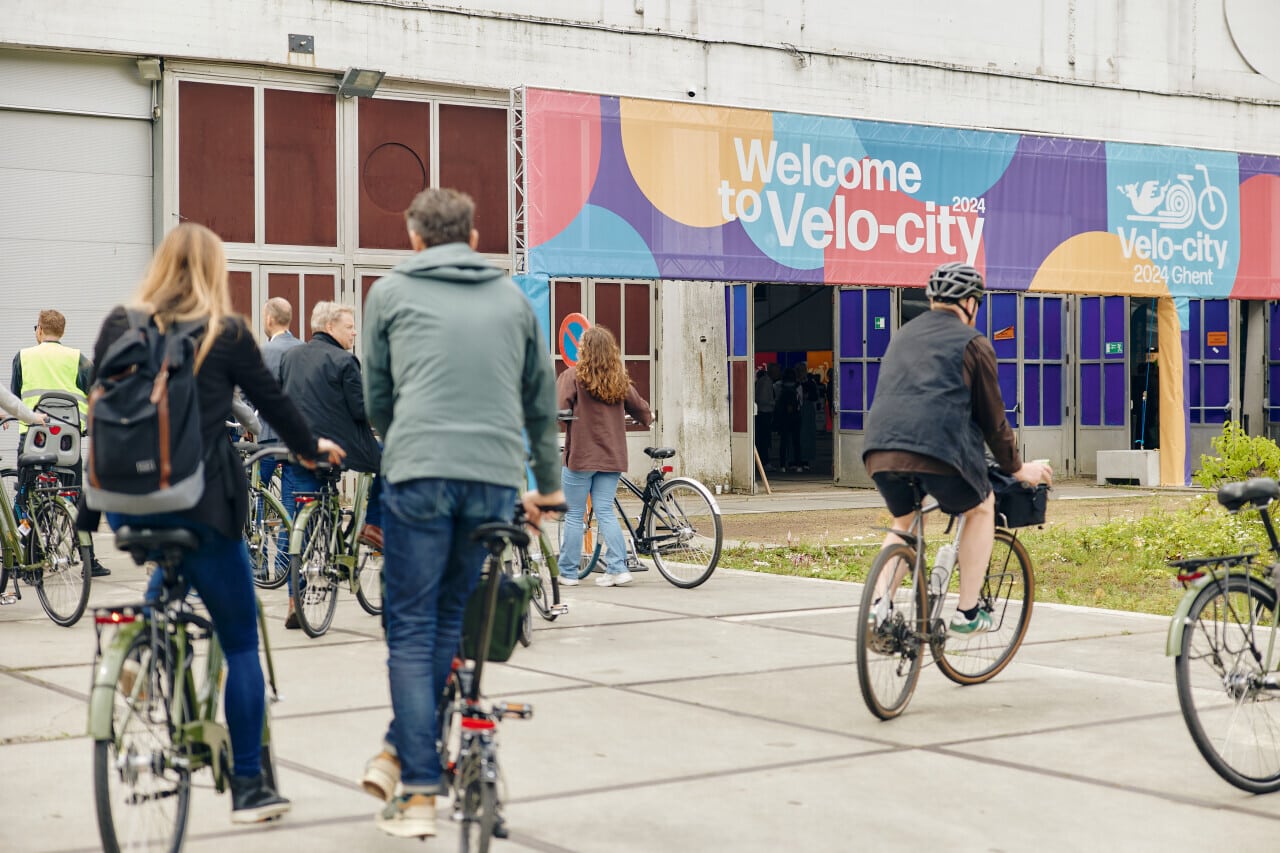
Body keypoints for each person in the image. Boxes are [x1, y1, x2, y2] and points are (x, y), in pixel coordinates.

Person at [81, 223, 345, 824]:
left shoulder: (121, 323)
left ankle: (138, 651)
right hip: (199, 503)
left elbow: (103, 402)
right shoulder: (223, 332)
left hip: (124, 503)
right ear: (213, 272)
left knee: (170, 564)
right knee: (239, 641)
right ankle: (250, 787)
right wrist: (309, 450)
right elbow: (275, 407)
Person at [358, 188, 563, 839]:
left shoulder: (388, 293)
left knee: (411, 627)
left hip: (417, 472)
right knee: (450, 613)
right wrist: (549, 488)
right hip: (493, 479)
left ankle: (418, 786)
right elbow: (538, 403)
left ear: (414, 238)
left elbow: (377, 397)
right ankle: (402, 752)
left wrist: (408, 440)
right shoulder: (511, 298)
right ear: (474, 239)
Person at [863, 262, 1052, 634]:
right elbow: (993, 421)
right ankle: (967, 612)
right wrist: (1017, 468)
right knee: (982, 507)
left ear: (933, 299)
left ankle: (878, 605)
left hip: (879, 449)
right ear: (970, 303)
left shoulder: (902, 336)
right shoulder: (974, 344)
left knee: (905, 520)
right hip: (937, 452)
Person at [278, 301, 383, 628]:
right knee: (393, 464)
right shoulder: (344, 360)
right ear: (331, 327)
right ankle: (373, 526)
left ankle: (296, 600)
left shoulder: (290, 355)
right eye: (350, 326)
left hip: (297, 448)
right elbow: (360, 411)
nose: (354, 332)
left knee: (299, 518)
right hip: (340, 448)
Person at [12, 309, 108, 576]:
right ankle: (90, 560)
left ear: (40, 330)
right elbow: (96, 393)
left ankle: (29, 561)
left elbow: (15, 398)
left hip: (33, 438)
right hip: (68, 440)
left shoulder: (23, 357)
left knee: (27, 495)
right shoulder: (77, 359)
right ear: (62, 332)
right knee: (74, 494)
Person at [557, 326, 653, 588]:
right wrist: (648, 419)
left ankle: (567, 572)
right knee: (606, 511)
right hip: (612, 456)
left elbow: (559, 409)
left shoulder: (573, 376)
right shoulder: (619, 379)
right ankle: (618, 568)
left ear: (585, 349)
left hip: (581, 456)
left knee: (575, 514)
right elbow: (643, 410)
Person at [774, 367, 802, 472]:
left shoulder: (778, 386)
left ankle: (782, 465)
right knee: (796, 441)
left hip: (784, 417)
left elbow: (776, 400)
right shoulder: (798, 386)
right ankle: (798, 464)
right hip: (795, 417)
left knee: (783, 442)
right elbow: (801, 402)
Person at [754, 364, 776, 471]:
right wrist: (773, 403)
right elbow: (762, 399)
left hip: (764, 413)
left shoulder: (766, 381)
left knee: (764, 439)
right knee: (764, 439)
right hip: (764, 412)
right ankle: (764, 462)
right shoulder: (766, 382)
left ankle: (764, 461)